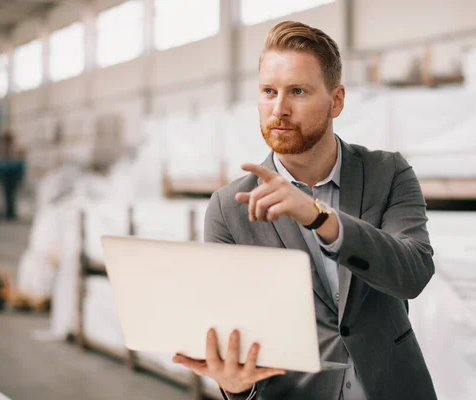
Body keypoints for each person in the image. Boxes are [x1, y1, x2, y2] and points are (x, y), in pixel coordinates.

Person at [173, 21, 437, 400]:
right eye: (268, 91)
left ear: (337, 101)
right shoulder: (227, 209)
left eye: (297, 91)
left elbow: (413, 274)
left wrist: (320, 218)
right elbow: (233, 330)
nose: (279, 108)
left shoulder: (388, 172)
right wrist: (236, 387)